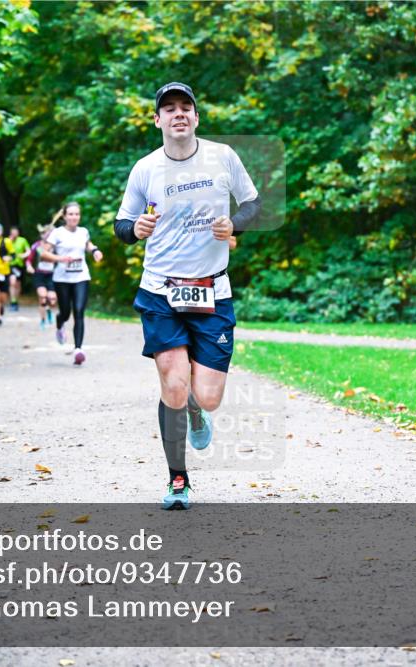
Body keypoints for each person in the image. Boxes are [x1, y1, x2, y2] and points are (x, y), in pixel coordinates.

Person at [113, 82, 262, 510]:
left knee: (208, 396)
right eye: (169, 109)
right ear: (157, 120)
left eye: (186, 108)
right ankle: (178, 480)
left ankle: (198, 409)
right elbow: (122, 225)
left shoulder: (223, 157)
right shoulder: (145, 169)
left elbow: (252, 203)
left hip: (213, 290)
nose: (178, 114)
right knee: (173, 384)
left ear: (196, 118)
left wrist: (235, 225)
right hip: (160, 289)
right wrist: (134, 229)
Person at [41, 202, 104, 365]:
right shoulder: (57, 233)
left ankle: (78, 349)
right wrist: (60, 259)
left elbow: (88, 244)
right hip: (62, 279)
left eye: (77, 214)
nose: (74, 217)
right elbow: (44, 254)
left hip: (81, 277)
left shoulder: (83, 232)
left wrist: (95, 250)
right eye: (70, 214)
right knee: (66, 312)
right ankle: (60, 322)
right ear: (64, 216)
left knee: (79, 311)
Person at [25, 225, 58, 329]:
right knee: (42, 296)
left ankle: (48, 309)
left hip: (52, 275)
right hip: (39, 274)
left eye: (48, 233)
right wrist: (29, 266)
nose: (46, 235)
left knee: (52, 299)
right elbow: (29, 259)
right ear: (41, 235)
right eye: (44, 233)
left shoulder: (55, 246)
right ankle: (43, 320)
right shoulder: (36, 246)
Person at [8, 226, 28, 312]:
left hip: (19, 265)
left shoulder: (22, 240)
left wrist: (24, 255)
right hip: (10, 264)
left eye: (15, 232)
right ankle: (12, 302)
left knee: (18, 285)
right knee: (12, 282)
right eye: (12, 232)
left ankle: (16, 301)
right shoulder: (7, 241)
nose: (14, 234)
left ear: (18, 233)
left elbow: (28, 251)